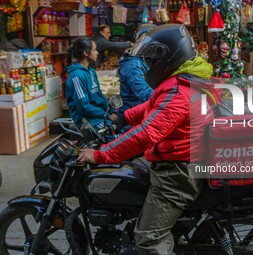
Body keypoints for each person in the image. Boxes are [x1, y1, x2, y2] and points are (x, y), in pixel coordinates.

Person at [77, 24, 221, 254]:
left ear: (169, 58)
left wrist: (100, 154)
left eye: (152, 61)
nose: (149, 66)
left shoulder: (178, 92)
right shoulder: (184, 81)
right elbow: (154, 106)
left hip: (177, 173)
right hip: (181, 159)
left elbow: (146, 133)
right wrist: (124, 117)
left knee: (148, 240)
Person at [66, 37, 117, 130]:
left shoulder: (91, 72)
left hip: (99, 116)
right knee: (117, 135)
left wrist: (111, 111)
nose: (97, 53)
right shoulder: (76, 76)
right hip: (87, 121)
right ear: (86, 53)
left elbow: (100, 95)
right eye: (94, 50)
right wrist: (106, 115)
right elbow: (84, 106)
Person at [118, 24, 156, 116]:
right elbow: (144, 93)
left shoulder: (144, 60)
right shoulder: (133, 65)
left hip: (140, 111)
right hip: (132, 115)